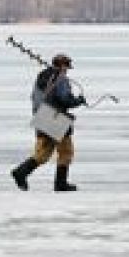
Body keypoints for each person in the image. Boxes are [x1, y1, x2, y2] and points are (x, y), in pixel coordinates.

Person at [11, 52, 86, 192]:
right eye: (67, 66)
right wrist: (79, 101)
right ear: (62, 66)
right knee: (66, 151)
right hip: (55, 117)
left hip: (41, 116)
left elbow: (35, 97)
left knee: (43, 153)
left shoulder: (42, 77)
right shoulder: (61, 79)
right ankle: (60, 184)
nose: (67, 70)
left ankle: (21, 172)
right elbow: (65, 99)